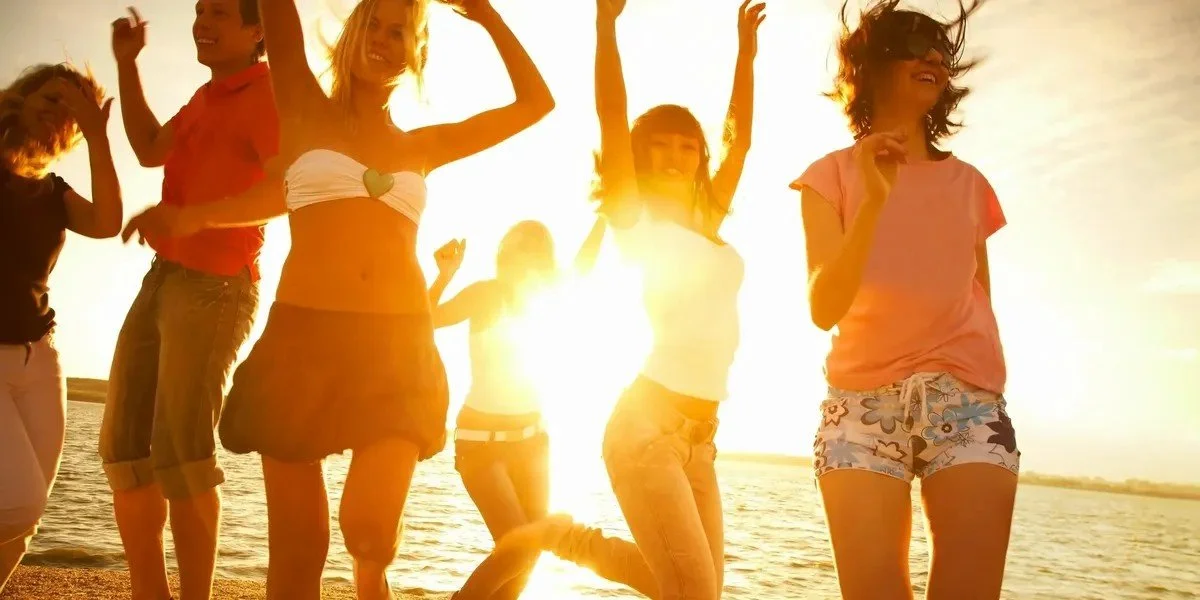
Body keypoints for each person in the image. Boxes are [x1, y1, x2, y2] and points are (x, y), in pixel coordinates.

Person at [204, 0, 554, 598]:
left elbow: (535, 103)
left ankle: (373, 576)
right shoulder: (302, 103)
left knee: (368, 532)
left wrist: (487, 15)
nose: (385, 39)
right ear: (349, 33)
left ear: (417, 53)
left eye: (402, 32)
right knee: (297, 556)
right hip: (301, 344)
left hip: (395, 351)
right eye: (373, 23)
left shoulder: (424, 144)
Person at [490, 1, 763, 599]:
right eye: (659, 146)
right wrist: (605, 25)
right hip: (647, 429)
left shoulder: (708, 219)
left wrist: (746, 54)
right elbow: (612, 115)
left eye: (686, 148)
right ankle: (570, 540)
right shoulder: (631, 215)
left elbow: (737, 143)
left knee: (692, 589)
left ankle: (568, 539)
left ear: (698, 160)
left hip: (700, 439)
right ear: (640, 156)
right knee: (697, 595)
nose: (673, 157)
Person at [791, 2, 1017, 599]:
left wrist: (986, 385)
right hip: (862, 411)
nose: (931, 58)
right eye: (912, 47)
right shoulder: (829, 176)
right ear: (870, 67)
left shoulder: (971, 186)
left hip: (964, 404)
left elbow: (979, 299)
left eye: (938, 51)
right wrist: (874, 201)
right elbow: (824, 307)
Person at [99, 2, 279, 599]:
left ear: (258, 31)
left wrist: (193, 219)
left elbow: (288, 188)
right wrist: (128, 65)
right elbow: (151, 147)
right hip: (163, 277)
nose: (203, 21)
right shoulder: (206, 97)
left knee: (182, 452)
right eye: (200, 11)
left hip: (218, 285)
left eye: (221, 13)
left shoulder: (267, 94)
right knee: (125, 444)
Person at [425, 218, 605, 600]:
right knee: (518, 548)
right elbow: (425, 320)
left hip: (532, 443)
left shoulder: (548, 296)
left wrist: (605, 215)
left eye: (535, 249)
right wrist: (444, 276)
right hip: (481, 443)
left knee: (528, 553)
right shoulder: (486, 294)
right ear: (505, 254)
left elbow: (583, 265)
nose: (525, 256)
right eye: (517, 247)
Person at [0, 63, 122, 595]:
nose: (57, 112)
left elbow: (108, 222)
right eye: (50, 98)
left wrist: (99, 138)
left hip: (41, 358)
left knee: (24, 521)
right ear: (22, 98)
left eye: (70, 110)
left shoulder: (53, 191)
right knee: (18, 501)